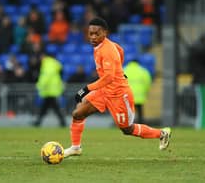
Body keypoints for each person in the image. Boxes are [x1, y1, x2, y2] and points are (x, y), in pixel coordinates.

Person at [64, 17, 171, 157]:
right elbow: (120, 51)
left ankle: (162, 133)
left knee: (127, 129)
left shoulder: (107, 50)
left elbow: (109, 78)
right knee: (78, 114)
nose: (93, 37)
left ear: (105, 33)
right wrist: (118, 67)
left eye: (97, 33)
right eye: (91, 33)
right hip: (104, 91)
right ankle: (75, 147)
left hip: (119, 95)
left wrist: (86, 89)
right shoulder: (103, 46)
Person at [32, 54, 66, 127]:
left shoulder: (47, 64)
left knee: (50, 107)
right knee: (49, 107)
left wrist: (40, 84)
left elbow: (46, 75)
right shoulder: (53, 63)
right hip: (53, 89)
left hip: (50, 89)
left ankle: (38, 122)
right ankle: (38, 121)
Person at [124, 60, 152, 124]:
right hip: (140, 95)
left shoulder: (125, 70)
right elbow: (148, 82)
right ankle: (140, 124)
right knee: (140, 112)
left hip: (128, 95)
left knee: (129, 111)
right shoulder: (143, 71)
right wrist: (145, 91)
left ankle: (128, 124)